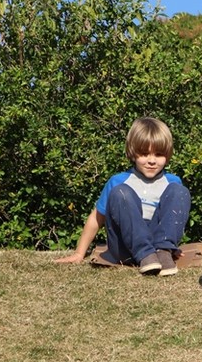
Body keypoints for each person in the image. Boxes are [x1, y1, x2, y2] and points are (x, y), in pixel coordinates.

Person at [55, 117, 190, 275]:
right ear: (133, 153)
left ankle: (163, 251)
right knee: (121, 193)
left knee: (180, 192)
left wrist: (169, 245)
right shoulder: (118, 181)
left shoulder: (172, 182)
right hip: (124, 249)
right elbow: (96, 218)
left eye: (159, 154)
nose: (152, 160)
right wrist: (79, 253)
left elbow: (172, 219)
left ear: (167, 155)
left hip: (156, 246)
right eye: (144, 154)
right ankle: (145, 254)